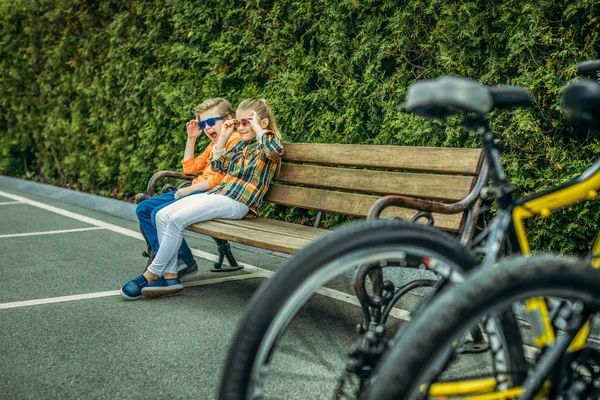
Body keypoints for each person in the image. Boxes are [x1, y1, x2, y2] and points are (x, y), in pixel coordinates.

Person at [121, 98, 284, 299]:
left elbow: (275, 151)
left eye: (246, 122)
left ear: (262, 123)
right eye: (239, 122)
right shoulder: (240, 145)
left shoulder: (266, 143)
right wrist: (223, 138)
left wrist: (257, 127)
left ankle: (151, 273)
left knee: (176, 219)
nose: (241, 128)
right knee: (162, 215)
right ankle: (171, 276)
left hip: (237, 202)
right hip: (219, 195)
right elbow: (217, 167)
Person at [135, 98, 241, 278]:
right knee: (144, 208)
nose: (207, 128)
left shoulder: (234, 140)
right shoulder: (213, 145)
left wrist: (189, 190)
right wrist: (191, 138)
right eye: (203, 124)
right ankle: (176, 258)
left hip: (205, 194)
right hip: (195, 190)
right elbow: (189, 168)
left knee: (155, 213)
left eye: (211, 122)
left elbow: (220, 179)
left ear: (228, 119)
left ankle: (170, 261)